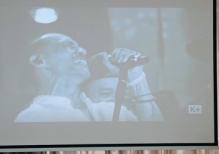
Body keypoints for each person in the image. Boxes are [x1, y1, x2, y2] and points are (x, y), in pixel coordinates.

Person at [14, 33, 163, 122]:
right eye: (68, 45)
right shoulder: (34, 116)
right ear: (39, 60)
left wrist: (135, 76)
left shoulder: (105, 111)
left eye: (79, 47)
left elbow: (155, 132)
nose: (82, 51)